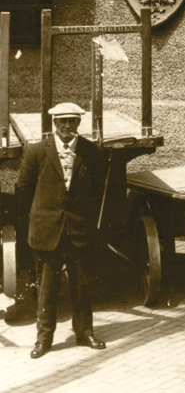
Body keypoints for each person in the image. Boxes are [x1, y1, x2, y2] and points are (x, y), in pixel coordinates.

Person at [17, 103, 108, 359]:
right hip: (48, 230)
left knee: (81, 283)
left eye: (72, 121)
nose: (67, 126)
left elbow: (98, 190)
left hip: (78, 228)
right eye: (62, 121)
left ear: (78, 123)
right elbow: (24, 188)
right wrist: (36, 221)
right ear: (54, 124)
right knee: (48, 286)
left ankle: (84, 333)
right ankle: (44, 339)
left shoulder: (92, 151)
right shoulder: (37, 151)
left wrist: (89, 221)